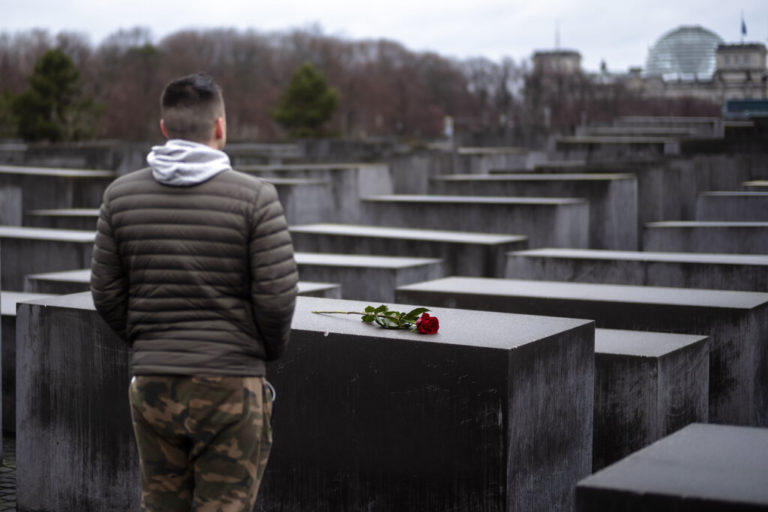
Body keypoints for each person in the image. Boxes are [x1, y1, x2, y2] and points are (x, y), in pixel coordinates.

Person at [90, 73, 298, 512]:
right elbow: (277, 299)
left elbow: (106, 292)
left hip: (152, 384)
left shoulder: (119, 196)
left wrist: (149, 341)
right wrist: (260, 354)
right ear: (220, 127)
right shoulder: (256, 198)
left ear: (165, 128)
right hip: (231, 386)